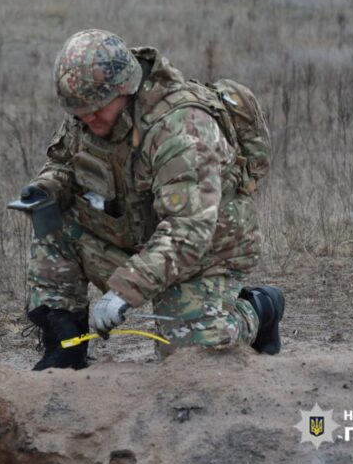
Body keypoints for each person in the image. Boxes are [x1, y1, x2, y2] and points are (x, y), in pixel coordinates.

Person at [20, 29, 284, 370]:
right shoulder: (91, 111)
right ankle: (65, 347)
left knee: (190, 351)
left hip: (206, 250)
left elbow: (188, 231)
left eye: (95, 110)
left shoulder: (181, 130)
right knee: (54, 222)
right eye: (79, 112)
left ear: (125, 89)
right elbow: (64, 162)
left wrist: (124, 291)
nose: (87, 119)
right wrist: (47, 188)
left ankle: (260, 308)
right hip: (136, 235)